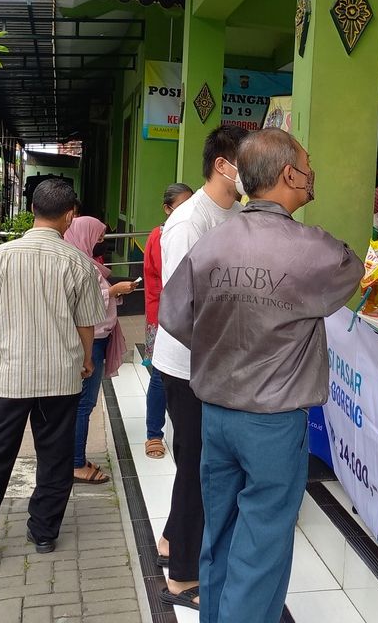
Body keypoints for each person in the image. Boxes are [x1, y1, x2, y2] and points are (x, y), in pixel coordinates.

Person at [160, 128, 362, 623]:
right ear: (289, 174)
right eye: (308, 164)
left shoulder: (212, 242)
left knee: (220, 533)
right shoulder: (311, 247)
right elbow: (351, 273)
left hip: (216, 411)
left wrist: (225, 350)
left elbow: (174, 315)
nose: (313, 173)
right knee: (263, 545)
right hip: (272, 421)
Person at [0, 180, 107, 572]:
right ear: (70, 215)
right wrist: (86, 358)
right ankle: (44, 531)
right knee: (55, 457)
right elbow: (87, 324)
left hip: (9, 376)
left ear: (33, 209)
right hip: (60, 377)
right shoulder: (79, 263)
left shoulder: (0, 257)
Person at [152, 125, 250, 608]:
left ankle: (172, 540)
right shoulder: (190, 221)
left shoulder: (234, 213)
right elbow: (179, 303)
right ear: (223, 165)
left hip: (214, 361)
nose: (251, 172)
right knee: (198, 467)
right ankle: (183, 577)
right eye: (245, 162)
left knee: (196, 460)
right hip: (188, 363)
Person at [64, 215, 138, 484]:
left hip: (96, 338)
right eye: (99, 237)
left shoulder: (88, 262)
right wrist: (114, 289)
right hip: (90, 341)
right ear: (85, 236)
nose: (102, 243)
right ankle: (74, 463)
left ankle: (75, 457)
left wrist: (114, 291)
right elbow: (84, 301)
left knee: (83, 403)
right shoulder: (79, 264)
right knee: (83, 404)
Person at [142, 182, 194, 461]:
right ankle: (154, 433)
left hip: (186, 317)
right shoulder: (161, 236)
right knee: (160, 376)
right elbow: (171, 275)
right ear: (167, 209)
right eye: (181, 205)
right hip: (162, 316)